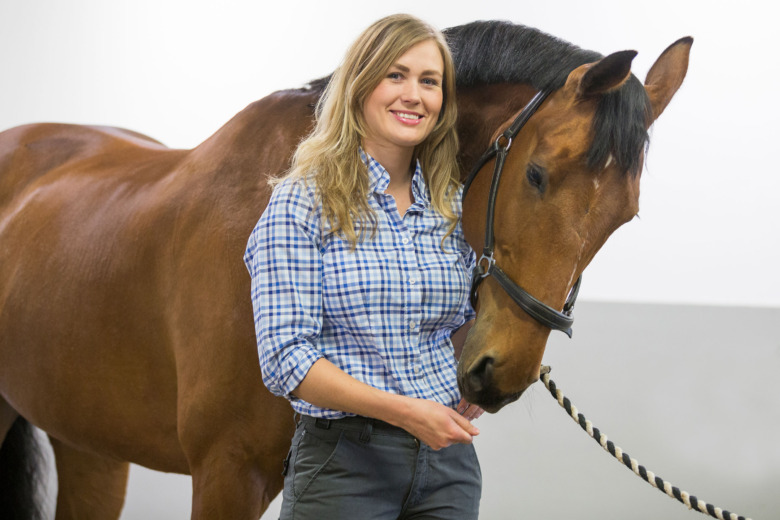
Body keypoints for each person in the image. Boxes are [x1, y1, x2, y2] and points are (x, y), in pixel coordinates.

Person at [244, 13, 482, 519]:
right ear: (359, 85)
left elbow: (458, 326)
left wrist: (482, 367)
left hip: (448, 469)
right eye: (395, 75)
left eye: (430, 82)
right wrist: (406, 412)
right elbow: (286, 359)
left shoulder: (453, 207)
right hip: (343, 466)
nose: (413, 95)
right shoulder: (302, 203)